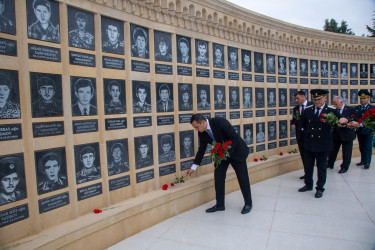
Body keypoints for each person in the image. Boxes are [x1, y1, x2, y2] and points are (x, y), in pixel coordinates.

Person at [187, 114, 253, 214]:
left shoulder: (220, 122)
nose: (196, 129)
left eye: (196, 127)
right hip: (221, 155)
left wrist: (226, 151)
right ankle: (220, 205)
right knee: (218, 177)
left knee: (243, 178)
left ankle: (248, 203)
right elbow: (201, 149)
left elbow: (234, 138)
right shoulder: (202, 132)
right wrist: (193, 167)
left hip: (236, 152)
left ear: (203, 122)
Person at [298, 89, 346, 198]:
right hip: (309, 144)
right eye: (315, 99)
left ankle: (320, 188)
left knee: (321, 167)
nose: (317, 102)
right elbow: (304, 125)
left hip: (323, 145)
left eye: (319, 99)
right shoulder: (308, 110)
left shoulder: (331, 110)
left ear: (325, 98)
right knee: (308, 166)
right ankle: (308, 184)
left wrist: (344, 120)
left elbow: (341, 119)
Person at [327, 96, 357, 173]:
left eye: (336, 104)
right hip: (336, 134)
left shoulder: (350, 109)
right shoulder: (334, 110)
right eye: (334, 104)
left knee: (347, 152)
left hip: (347, 134)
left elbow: (354, 120)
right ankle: (330, 163)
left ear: (341, 102)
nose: (335, 106)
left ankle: (344, 167)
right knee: (333, 150)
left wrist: (346, 122)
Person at [291, 90, 313, 179]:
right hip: (300, 136)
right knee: (303, 156)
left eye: (297, 98)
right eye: (295, 99)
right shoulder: (296, 108)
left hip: (310, 136)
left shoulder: (312, 106)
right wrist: (293, 124)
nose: (296, 100)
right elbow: (294, 119)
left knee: (309, 156)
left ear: (303, 97)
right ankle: (306, 173)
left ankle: (310, 174)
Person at [353, 90, 374, 169]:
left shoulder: (372, 108)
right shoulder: (357, 108)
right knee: (361, 146)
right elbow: (355, 118)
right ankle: (363, 160)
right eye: (361, 98)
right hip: (359, 131)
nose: (362, 100)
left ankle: (367, 162)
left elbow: (372, 120)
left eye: (364, 98)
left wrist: (361, 124)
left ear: (368, 99)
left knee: (368, 147)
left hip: (368, 131)